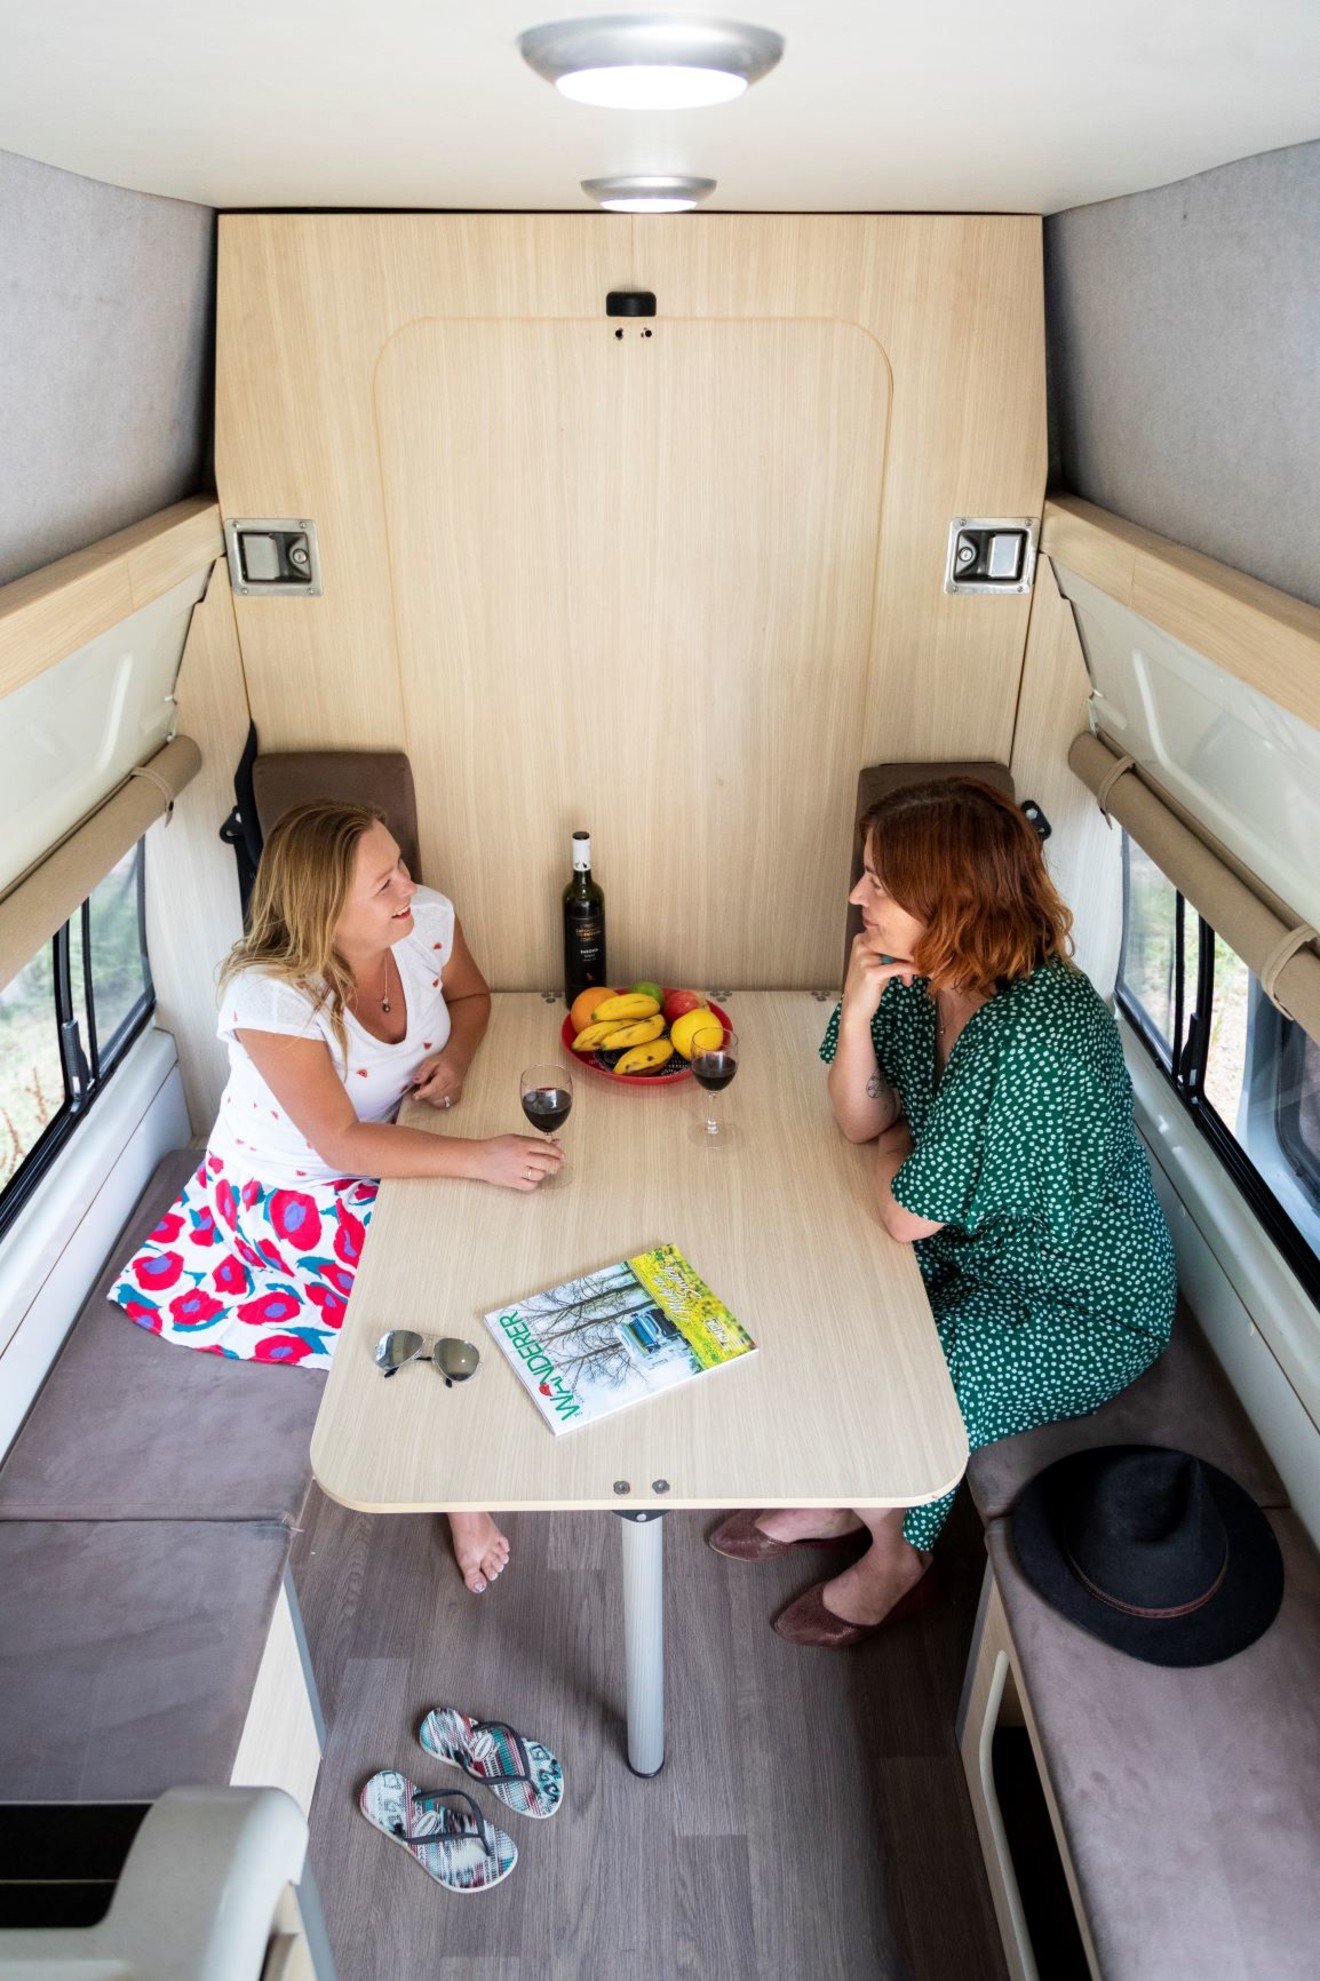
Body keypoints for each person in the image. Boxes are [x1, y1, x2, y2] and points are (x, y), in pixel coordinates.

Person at [709, 777, 1176, 1647]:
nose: (857, 896)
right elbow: (862, 1122)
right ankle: (850, 1489)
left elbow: (902, 1213)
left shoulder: (1032, 1031)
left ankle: (897, 1556)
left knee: (932, 1376)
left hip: (1082, 1297)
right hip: (975, 1243)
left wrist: (902, 1159)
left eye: (879, 882)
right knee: (836, 1291)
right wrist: (855, 1018)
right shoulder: (929, 980)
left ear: (949, 903)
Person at [110, 800, 563, 1594]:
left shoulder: (424, 921)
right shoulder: (270, 997)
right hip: (293, 1193)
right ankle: (460, 1493)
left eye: (401, 865)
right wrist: (481, 1157)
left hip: (389, 1139)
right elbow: (343, 1145)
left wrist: (455, 1059)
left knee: (506, 1247)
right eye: (384, 881)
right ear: (324, 909)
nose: (410, 886)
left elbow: (473, 999)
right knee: (430, 1301)